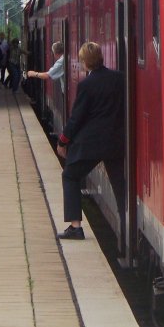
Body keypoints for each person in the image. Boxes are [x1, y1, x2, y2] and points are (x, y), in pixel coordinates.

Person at [55, 42, 125, 241]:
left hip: (92, 144)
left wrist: (63, 140)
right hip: (116, 142)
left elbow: (77, 118)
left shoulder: (86, 85)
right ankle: (126, 223)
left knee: (70, 175)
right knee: (119, 184)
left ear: (85, 62)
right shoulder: (119, 78)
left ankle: (75, 227)